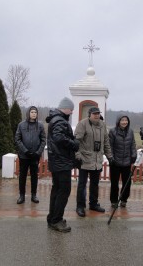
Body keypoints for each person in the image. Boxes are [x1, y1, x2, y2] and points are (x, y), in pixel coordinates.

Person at [46, 97, 79, 232]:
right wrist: (73, 144)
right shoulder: (60, 120)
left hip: (57, 161)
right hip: (61, 161)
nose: (71, 113)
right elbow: (59, 137)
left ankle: (52, 217)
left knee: (56, 190)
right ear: (65, 108)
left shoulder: (55, 119)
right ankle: (56, 220)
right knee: (63, 191)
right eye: (71, 110)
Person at [75, 106, 113, 217]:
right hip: (84, 159)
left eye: (98, 113)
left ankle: (93, 204)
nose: (96, 115)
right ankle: (80, 206)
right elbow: (76, 141)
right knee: (82, 184)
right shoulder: (82, 124)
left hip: (97, 160)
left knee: (95, 184)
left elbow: (106, 142)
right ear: (89, 114)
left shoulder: (102, 125)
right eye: (94, 114)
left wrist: (109, 156)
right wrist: (77, 156)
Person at [15, 106, 46, 204]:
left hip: (35, 156)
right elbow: (18, 139)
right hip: (24, 156)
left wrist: (38, 152)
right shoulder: (21, 125)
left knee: (34, 176)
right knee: (22, 176)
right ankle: (21, 196)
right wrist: (25, 151)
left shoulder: (40, 126)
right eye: (32, 112)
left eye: (35, 112)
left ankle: (34, 195)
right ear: (28, 113)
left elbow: (43, 140)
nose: (34, 114)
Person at [109, 114, 137, 208]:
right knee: (114, 183)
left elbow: (133, 144)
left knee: (127, 183)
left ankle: (124, 199)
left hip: (126, 162)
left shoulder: (130, 131)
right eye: (122, 120)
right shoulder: (113, 131)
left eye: (126, 120)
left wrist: (134, 155)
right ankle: (114, 200)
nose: (124, 122)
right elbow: (110, 146)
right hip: (115, 162)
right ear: (118, 121)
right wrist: (111, 158)